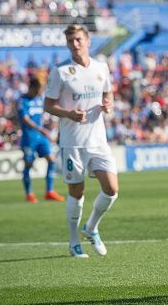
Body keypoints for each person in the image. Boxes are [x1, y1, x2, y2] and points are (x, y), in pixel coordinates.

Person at [44, 24, 119, 258]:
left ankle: (91, 227)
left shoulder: (101, 67)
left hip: (98, 140)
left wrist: (108, 104)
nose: (74, 45)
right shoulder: (60, 71)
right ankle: (74, 241)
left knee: (112, 189)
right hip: (72, 142)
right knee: (77, 193)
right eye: (70, 41)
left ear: (87, 41)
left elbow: (108, 93)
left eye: (78, 40)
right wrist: (69, 114)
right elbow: (48, 105)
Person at [18, 76, 64, 203]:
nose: (41, 91)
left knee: (51, 160)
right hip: (29, 138)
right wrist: (40, 129)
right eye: (39, 89)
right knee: (29, 164)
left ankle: (49, 191)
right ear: (32, 88)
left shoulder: (40, 99)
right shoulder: (22, 100)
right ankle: (29, 194)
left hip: (41, 137)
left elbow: (45, 114)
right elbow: (25, 119)